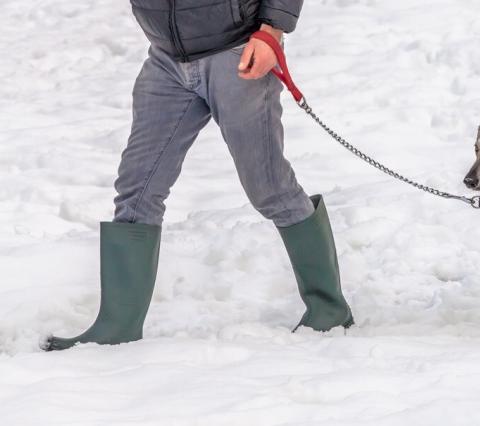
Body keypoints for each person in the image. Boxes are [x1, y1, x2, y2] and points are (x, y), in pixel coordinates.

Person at [44, 0, 354, 351]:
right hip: (166, 59)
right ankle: (117, 326)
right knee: (137, 189)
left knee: (270, 189)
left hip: (238, 53)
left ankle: (328, 308)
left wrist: (272, 31)